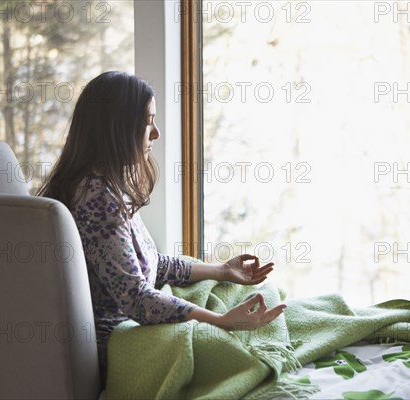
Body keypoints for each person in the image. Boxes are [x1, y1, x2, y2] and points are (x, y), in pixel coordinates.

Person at [38, 71, 286, 386]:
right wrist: (221, 322)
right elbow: (137, 299)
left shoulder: (105, 186)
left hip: (131, 321)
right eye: (147, 122)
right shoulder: (97, 200)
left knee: (244, 291)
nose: (155, 133)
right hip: (118, 341)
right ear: (117, 128)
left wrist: (221, 271)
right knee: (240, 343)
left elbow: (153, 265)